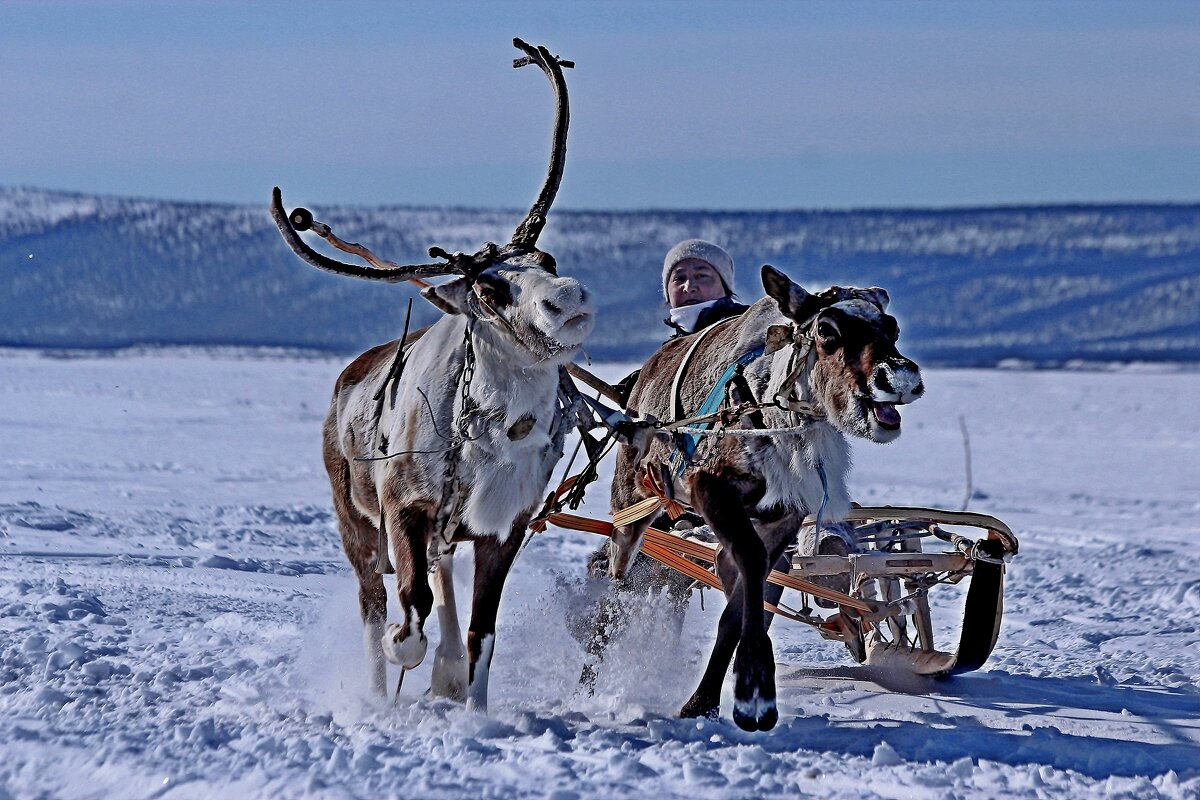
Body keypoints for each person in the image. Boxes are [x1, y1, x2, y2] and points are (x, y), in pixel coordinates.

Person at [579, 240, 748, 685]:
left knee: (658, 563)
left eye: (702, 276)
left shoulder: (743, 340)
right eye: (680, 278)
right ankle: (609, 657)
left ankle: (648, 670)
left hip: (729, 494)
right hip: (675, 501)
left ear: (724, 285)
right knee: (607, 567)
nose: (689, 286)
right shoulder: (672, 350)